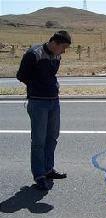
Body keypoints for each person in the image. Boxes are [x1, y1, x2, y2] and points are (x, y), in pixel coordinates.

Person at [17, 31, 71, 190]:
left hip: (54, 102)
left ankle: (48, 169)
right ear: (54, 43)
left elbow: (51, 74)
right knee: (39, 141)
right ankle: (39, 175)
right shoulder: (34, 54)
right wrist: (37, 87)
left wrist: (51, 86)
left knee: (52, 137)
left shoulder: (57, 56)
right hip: (38, 102)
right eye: (63, 47)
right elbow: (21, 75)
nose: (64, 51)